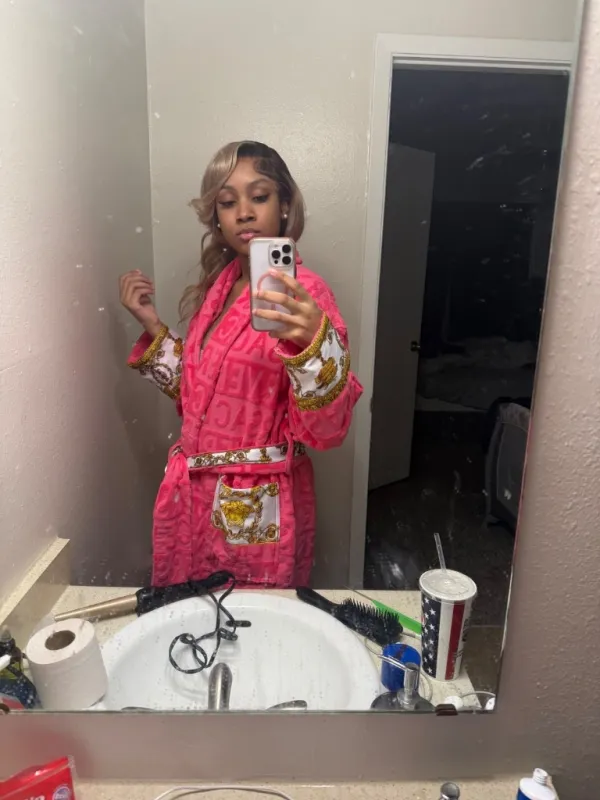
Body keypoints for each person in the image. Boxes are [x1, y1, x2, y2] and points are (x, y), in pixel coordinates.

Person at [119, 141, 362, 588]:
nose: (244, 213)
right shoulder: (220, 286)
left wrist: (314, 346)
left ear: (284, 204)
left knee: (250, 619)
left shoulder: (305, 294)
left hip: (253, 503)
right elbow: (197, 397)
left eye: (260, 196)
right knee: (195, 620)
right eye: (228, 202)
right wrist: (152, 324)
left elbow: (327, 431)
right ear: (217, 216)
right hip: (192, 495)